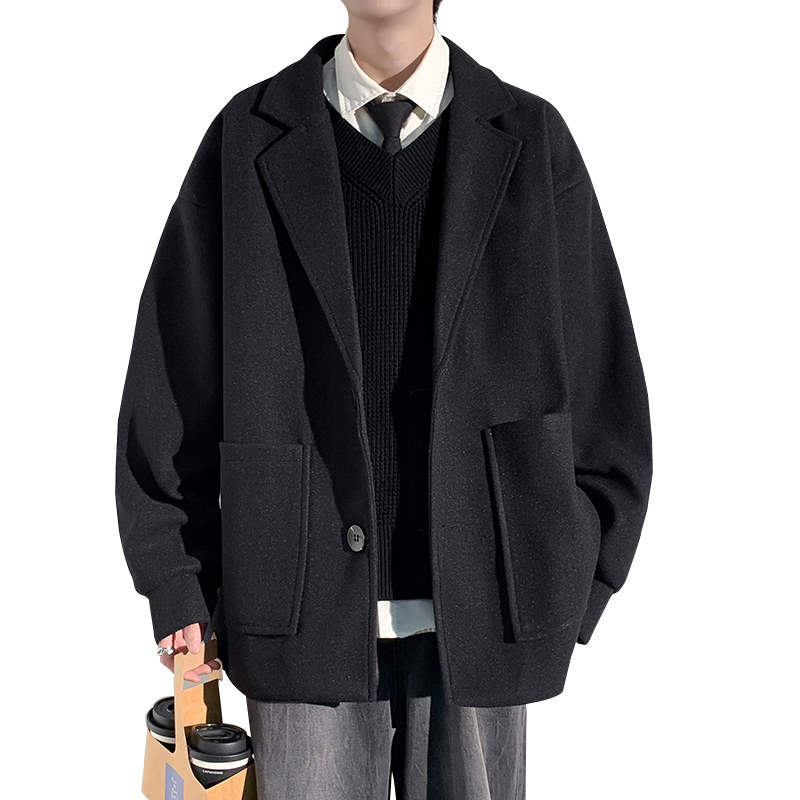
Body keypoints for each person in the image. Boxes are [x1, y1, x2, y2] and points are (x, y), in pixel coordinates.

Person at [115, 0, 653, 796]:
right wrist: (175, 575)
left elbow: (607, 389)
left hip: (488, 606)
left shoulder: (532, 140)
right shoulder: (246, 137)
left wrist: (571, 577)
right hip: (292, 606)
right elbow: (171, 373)